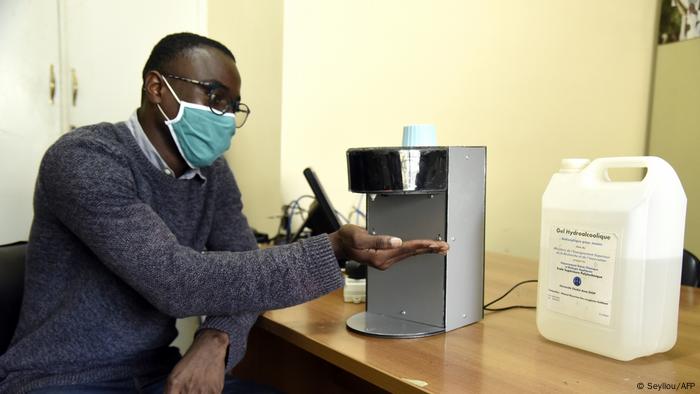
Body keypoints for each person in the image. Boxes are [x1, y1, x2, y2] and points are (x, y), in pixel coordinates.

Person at [0, 33, 449, 393]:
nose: (225, 116)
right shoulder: (84, 159)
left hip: (159, 372)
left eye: (232, 106)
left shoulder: (212, 174)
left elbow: (241, 268)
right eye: (214, 97)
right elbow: (177, 281)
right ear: (157, 87)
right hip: (62, 377)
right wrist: (331, 248)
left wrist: (217, 339)